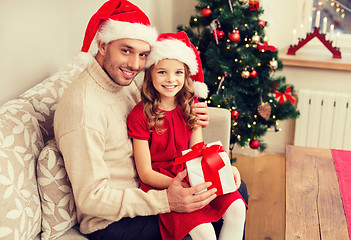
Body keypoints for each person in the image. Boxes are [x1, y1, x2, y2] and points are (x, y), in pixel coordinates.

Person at [54, 1, 222, 239]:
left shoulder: (120, 82)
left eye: (143, 55)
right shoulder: (83, 109)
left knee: (233, 192)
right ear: (102, 45)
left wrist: (189, 114)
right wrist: (167, 200)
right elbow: (91, 199)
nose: (135, 65)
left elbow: (157, 117)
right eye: (126, 50)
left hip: (150, 187)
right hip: (114, 221)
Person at [127, 31, 247, 240]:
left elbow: (197, 152)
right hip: (163, 182)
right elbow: (145, 173)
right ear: (150, 74)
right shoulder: (139, 115)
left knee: (237, 208)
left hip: (193, 172)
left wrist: (224, 169)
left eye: (178, 73)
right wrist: (180, 186)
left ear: (186, 75)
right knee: (204, 232)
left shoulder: (190, 107)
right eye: (162, 72)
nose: (171, 79)